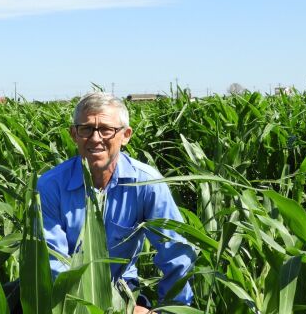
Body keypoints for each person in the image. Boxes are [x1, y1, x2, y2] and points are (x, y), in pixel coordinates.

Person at [37, 92, 196, 311]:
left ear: (126, 135)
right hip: (66, 297)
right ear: (74, 134)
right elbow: (53, 262)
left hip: (122, 290)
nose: (95, 138)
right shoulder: (50, 186)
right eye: (86, 129)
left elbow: (176, 254)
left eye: (106, 129)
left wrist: (169, 309)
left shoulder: (146, 184)